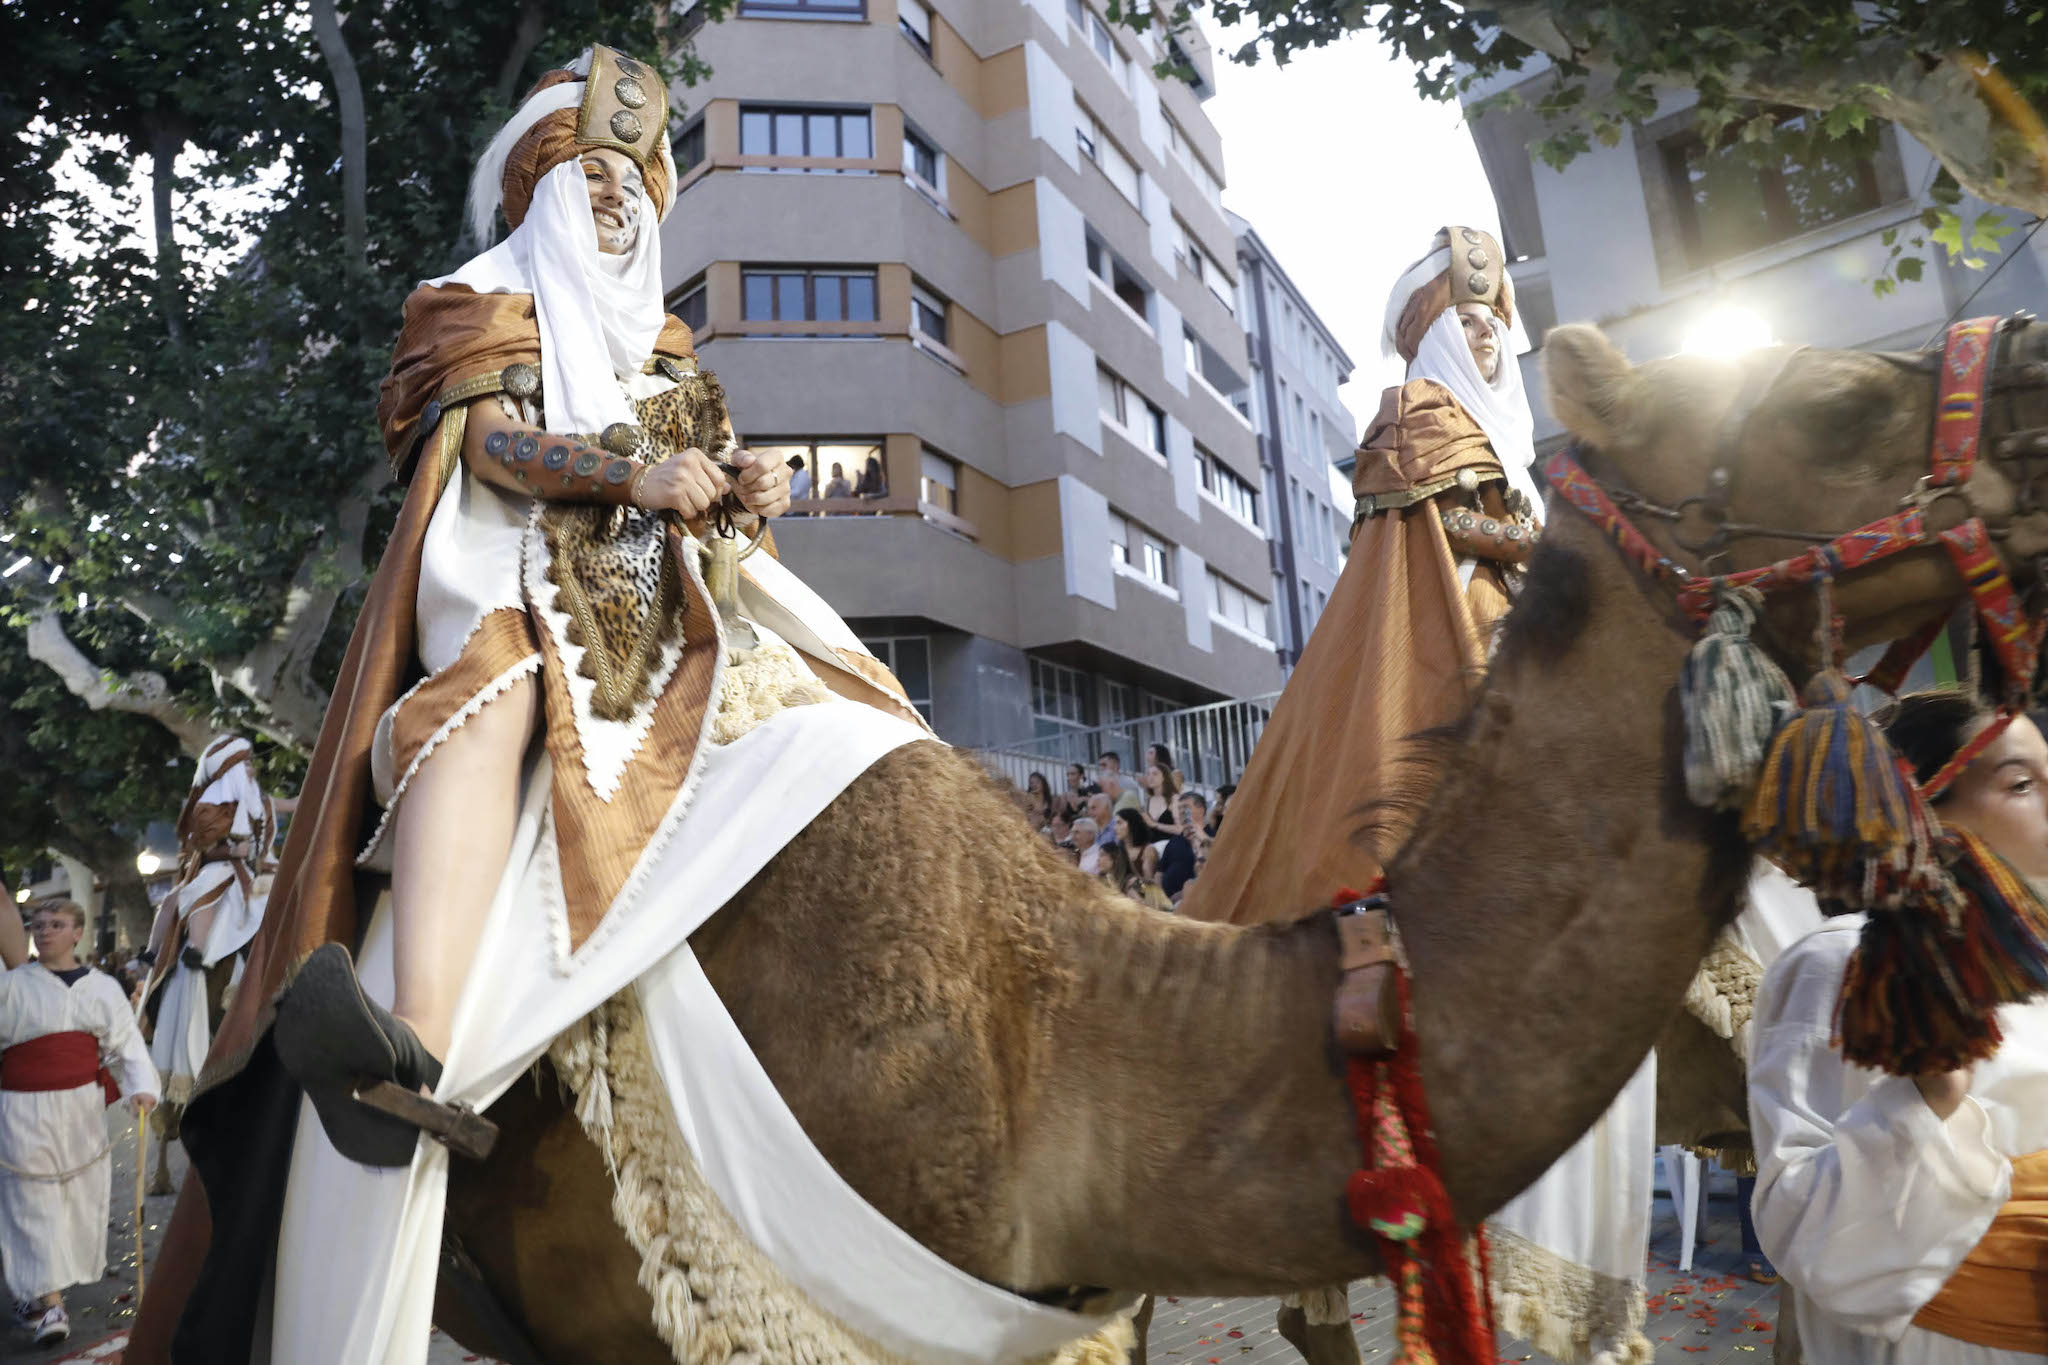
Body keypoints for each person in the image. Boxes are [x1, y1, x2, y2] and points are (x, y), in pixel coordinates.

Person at [134, 47, 938, 1363]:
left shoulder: (669, 342)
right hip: (512, 593)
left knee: (853, 709)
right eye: (591, 168)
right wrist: (634, 481)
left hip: (681, 613)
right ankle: (416, 1047)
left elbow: (712, 471)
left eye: (638, 173)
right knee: (496, 694)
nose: (620, 193)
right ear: (534, 187)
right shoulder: (466, 301)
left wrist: (749, 485)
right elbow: (490, 445)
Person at [1751, 690, 2048, 1362]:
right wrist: (1928, 1099)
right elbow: (1808, 1230)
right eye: (2022, 783)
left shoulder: (2031, 959)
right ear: (1919, 808)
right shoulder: (1844, 963)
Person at [0, 900, 158, 1346]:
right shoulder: (11, 987)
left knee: (76, 1202)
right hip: (21, 1110)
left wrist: (140, 1088)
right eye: (38, 925)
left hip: (82, 1112)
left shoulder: (104, 988)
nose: (44, 931)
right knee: (32, 1200)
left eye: (57, 924)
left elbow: (126, 1045)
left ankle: (37, 1295)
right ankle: (51, 1305)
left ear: (77, 934)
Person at [138, 735, 276, 1106]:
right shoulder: (210, 803)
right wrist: (234, 851)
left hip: (256, 871)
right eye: (243, 763)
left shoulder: (255, 800)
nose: (250, 769)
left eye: (251, 763)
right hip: (221, 870)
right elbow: (200, 845)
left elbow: (286, 803)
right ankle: (182, 953)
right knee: (185, 899)